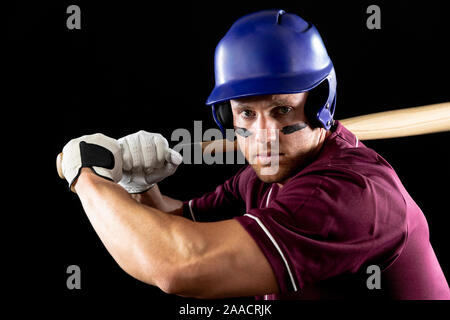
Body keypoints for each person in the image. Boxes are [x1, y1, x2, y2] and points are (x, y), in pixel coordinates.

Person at [60, 10, 449, 299]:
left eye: (281, 110)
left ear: (319, 105)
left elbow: (180, 266)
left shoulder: (347, 195)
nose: (262, 137)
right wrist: (142, 187)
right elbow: (172, 225)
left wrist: (88, 178)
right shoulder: (270, 174)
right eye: (247, 113)